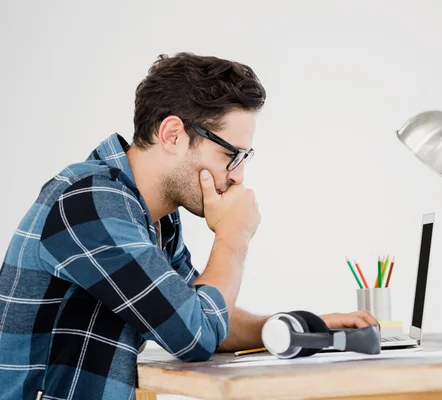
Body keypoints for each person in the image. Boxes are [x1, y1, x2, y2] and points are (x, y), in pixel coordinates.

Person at [0, 52, 378, 400]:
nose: (239, 176)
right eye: (230, 155)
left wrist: (291, 326)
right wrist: (234, 234)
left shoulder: (153, 216)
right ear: (172, 134)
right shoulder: (92, 202)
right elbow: (195, 335)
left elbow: (199, 312)